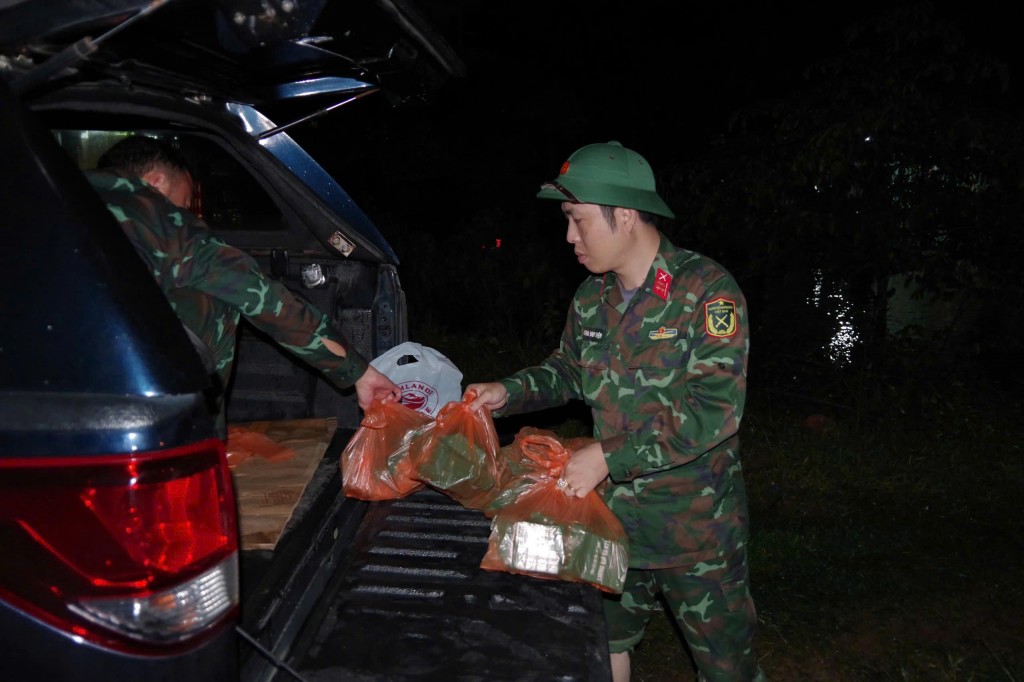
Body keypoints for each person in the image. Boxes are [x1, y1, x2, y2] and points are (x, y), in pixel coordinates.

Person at [466, 141, 764, 682]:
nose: (569, 237)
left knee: (728, 671)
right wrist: (507, 393)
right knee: (602, 650)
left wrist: (608, 454)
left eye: (578, 221)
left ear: (624, 215)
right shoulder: (590, 298)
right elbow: (568, 373)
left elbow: (715, 411)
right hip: (611, 522)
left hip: (694, 531)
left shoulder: (707, 293)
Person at [87, 135, 400, 432]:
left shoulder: (49, 198)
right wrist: (358, 372)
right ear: (156, 181)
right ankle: (201, 435)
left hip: (58, 391)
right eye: (182, 204)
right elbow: (261, 297)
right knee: (219, 295)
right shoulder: (164, 222)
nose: (183, 213)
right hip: (132, 401)